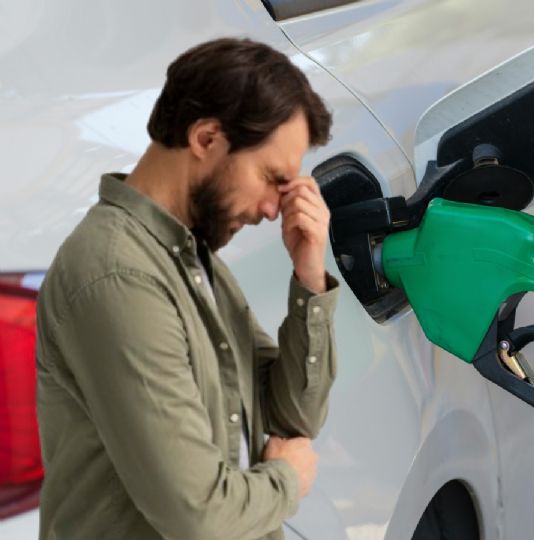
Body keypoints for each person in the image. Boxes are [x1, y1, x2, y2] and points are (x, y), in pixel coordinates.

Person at [34, 37, 338, 540]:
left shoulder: (194, 261)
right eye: (271, 178)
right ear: (206, 138)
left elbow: (291, 417)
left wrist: (309, 275)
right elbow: (197, 514)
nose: (272, 209)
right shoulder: (119, 276)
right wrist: (288, 479)